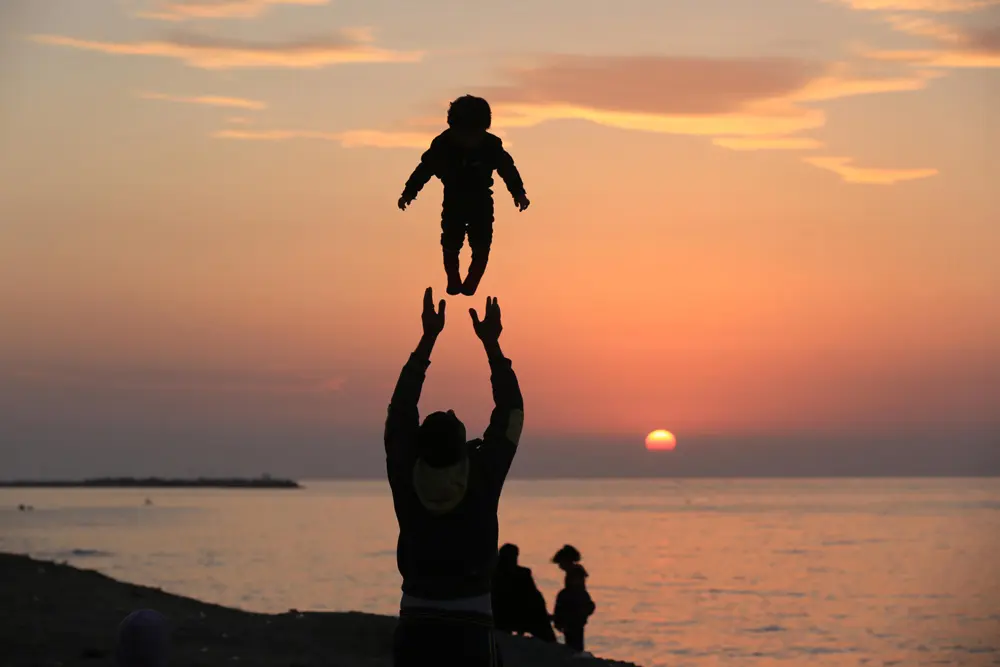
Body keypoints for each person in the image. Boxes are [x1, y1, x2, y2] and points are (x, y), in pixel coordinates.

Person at [385, 287, 525, 667]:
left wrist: (428, 339)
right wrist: (492, 346)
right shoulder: (480, 476)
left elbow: (399, 412)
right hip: (472, 629)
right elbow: (511, 411)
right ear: (463, 448)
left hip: (415, 625)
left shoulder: (405, 474)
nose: (447, 406)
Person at [398, 96, 530, 297]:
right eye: (463, 132)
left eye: (473, 133)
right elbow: (424, 169)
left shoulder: (491, 146)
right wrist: (409, 192)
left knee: (482, 241)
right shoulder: (443, 145)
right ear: (454, 127)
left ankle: (472, 279)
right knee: (451, 239)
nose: (468, 138)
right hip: (454, 198)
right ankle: (453, 277)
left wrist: (519, 193)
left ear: (482, 129)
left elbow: (508, 169)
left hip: (481, 200)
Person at [492, 543, 557, 642]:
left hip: (516, 615)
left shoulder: (521, 573)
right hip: (508, 615)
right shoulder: (497, 575)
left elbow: (534, 597)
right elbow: (534, 597)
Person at [552, 563, 596, 654]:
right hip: (569, 623)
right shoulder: (565, 593)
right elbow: (559, 608)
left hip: (577, 623)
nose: (580, 581)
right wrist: (558, 622)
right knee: (571, 643)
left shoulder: (582, 593)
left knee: (577, 644)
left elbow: (589, 606)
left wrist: (586, 610)